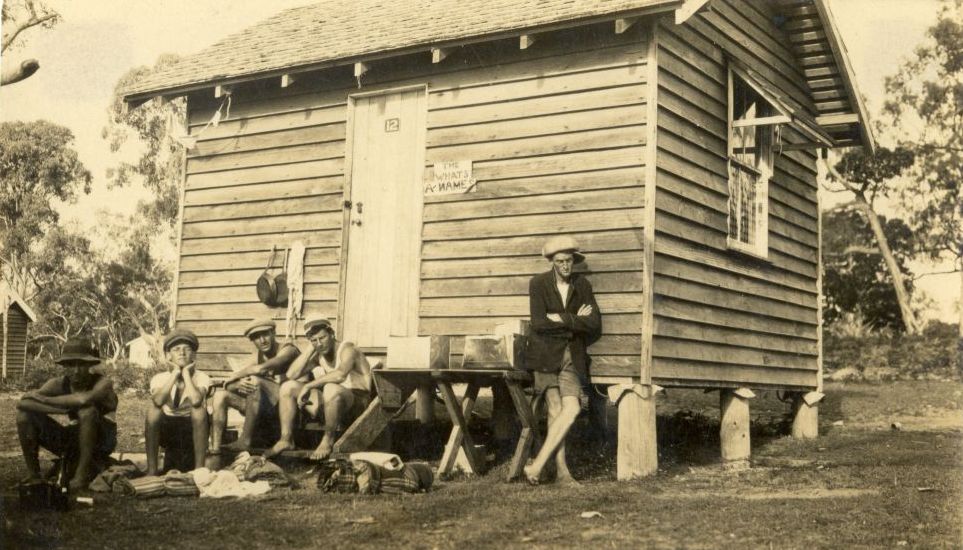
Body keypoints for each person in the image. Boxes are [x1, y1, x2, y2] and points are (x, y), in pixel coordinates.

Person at [523, 235, 602, 485]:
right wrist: (574, 320)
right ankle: (562, 473)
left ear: (574, 261)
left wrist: (563, 319)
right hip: (545, 354)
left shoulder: (583, 286)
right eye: (560, 261)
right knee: (555, 409)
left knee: (573, 408)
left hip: (572, 356)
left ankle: (536, 466)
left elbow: (594, 323)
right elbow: (538, 323)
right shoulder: (538, 284)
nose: (565, 266)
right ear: (552, 263)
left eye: (569, 261)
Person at [16, 338, 118, 491]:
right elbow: (23, 403)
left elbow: (84, 398)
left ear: (90, 365)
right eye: (71, 365)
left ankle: (81, 476)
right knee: (25, 415)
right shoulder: (58, 383)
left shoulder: (103, 383)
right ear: (64, 366)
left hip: (101, 441)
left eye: (81, 364)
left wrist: (44, 399)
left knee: (87, 411)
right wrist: (61, 410)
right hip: (74, 438)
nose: (76, 370)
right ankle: (34, 474)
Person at [264, 317, 372, 461]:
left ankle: (328, 440)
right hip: (334, 404)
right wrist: (310, 350)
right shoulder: (319, 353)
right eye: (314, 340)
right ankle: (286, 439)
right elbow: (291, 374)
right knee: (287, 387)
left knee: (330, 388)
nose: (320, 344)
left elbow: (340, 375)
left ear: (332, 334)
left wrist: (309, 385)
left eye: (322, 338)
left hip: (359, 405)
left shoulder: (348, 349)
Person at [209, 319, 300, 457]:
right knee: (220, 396)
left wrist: (237, 375)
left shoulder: (288, 349)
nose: (262, 340)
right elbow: (231, 384)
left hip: (289, 412)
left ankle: (245, 440)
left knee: (255, 381)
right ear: (252, 340)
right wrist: (234, 384)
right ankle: (215, 449)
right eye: (257, 337)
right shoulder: (257, 356)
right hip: (266, 411)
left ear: (274, 333)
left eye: (266, 334)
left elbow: (261, 369)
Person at [145, 329, 210, 475]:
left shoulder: (202, 377)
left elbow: (196, 400)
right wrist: (175, 373)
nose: (182, 353)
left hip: (191, 430)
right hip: (167, 430)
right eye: (176, 349)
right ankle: (152, 470)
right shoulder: (159, 378)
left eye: (187, 349)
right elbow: (158, 400)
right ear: (168, 355)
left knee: (199, 410)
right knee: (153, 410)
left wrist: (186, 373)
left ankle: (200, 470)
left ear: (193, 355)